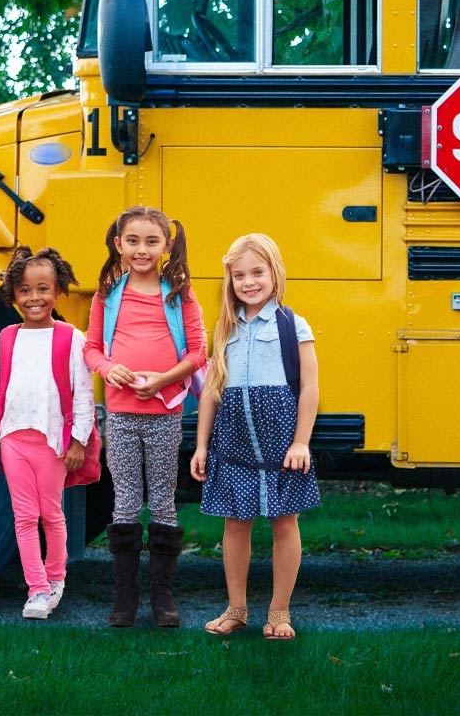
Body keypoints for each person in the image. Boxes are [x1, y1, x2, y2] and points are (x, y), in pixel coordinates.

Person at [190, 233, 321, 641]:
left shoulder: (292, 325)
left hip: (282, 441)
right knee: (235, 524)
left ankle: (279, 612)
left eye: (257, 272)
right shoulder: (225, 327)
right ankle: (237, 608)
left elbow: (310, 388)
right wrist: (201, 444)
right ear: (229, 280)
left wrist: (301, 442)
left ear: (274, 273)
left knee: (285, 523)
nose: (249, 282)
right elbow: (212, 389)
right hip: (234, 442)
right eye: (239, 275)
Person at [83, 205, 206, 628]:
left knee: (164, 500)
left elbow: (198, 353)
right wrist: (108, 368)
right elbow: (92, 348)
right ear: (118, 245)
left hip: (165, 412)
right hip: (120, 414)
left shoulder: (180, 294)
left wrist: (162, 380)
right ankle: (125, 600)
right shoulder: (107, 295)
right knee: (126, 500)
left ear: (167, 246)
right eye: (132, 241)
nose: (141, 249)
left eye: (152, 241)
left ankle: (163, 598)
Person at [0, 246, 94, 622]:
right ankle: (37, 588)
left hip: (52, 442)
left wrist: (78, 439)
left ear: (58, 291)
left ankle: (56, 578)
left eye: (43, 289)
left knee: (51, 515)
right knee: (24, 517)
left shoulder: (71, 338)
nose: (34, 298)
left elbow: (83, 393)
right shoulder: (4, 339)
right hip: (13, 439)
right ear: (13, 295)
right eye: (25, 291)